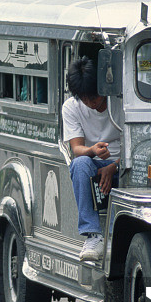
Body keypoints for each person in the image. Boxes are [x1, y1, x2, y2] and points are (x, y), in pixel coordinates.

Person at [62, 55, 121, 262]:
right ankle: (92, 235)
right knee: (79, 164)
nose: (90, 103)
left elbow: (138, 146)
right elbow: (76, 148)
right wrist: (93, 151)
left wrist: (114, 165)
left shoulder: (121, 101)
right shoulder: (71, 107)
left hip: (126, 164)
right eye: (84, 98)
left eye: (94, 96)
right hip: (95, 164)